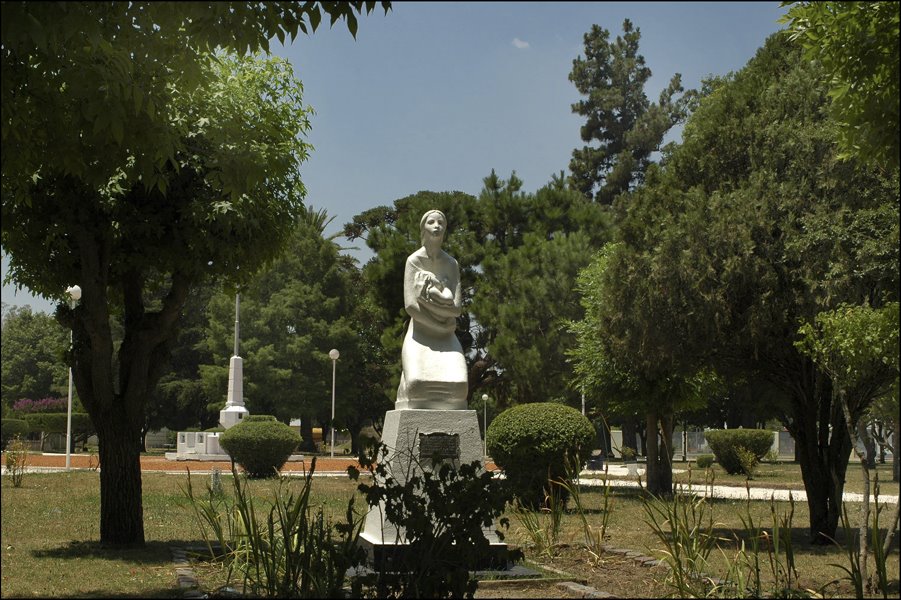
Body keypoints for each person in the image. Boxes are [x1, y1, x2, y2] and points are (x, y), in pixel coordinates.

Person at [395, 209, 468, 409]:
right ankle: (405, 384)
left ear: (445, 229)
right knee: (417, 386)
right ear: (423, 228)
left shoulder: (451, 264)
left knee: (460, 388)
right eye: (431, 222)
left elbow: (456, 309)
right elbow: (411, 306)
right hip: (420, 334)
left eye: (441, 223)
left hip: (446, 337)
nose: (436, 226)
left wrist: (427, 303)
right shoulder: (414, 261)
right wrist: (440, 322)